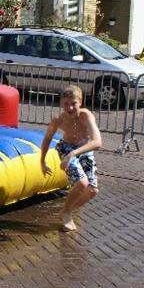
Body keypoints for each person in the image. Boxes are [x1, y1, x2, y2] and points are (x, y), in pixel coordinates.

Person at [40, 85, 102, 232]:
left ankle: (66, 211)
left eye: (73, 103)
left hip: (82, 150)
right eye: (66, 104)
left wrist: (73, 154)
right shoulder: (58, 120)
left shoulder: (86, 116)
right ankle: (67, 214)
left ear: (80, 102)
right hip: (66, 148)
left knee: (92, 191)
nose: (70, 108)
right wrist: (42, 161)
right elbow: (47, 138)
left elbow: (97, 142)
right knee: (82, 183)